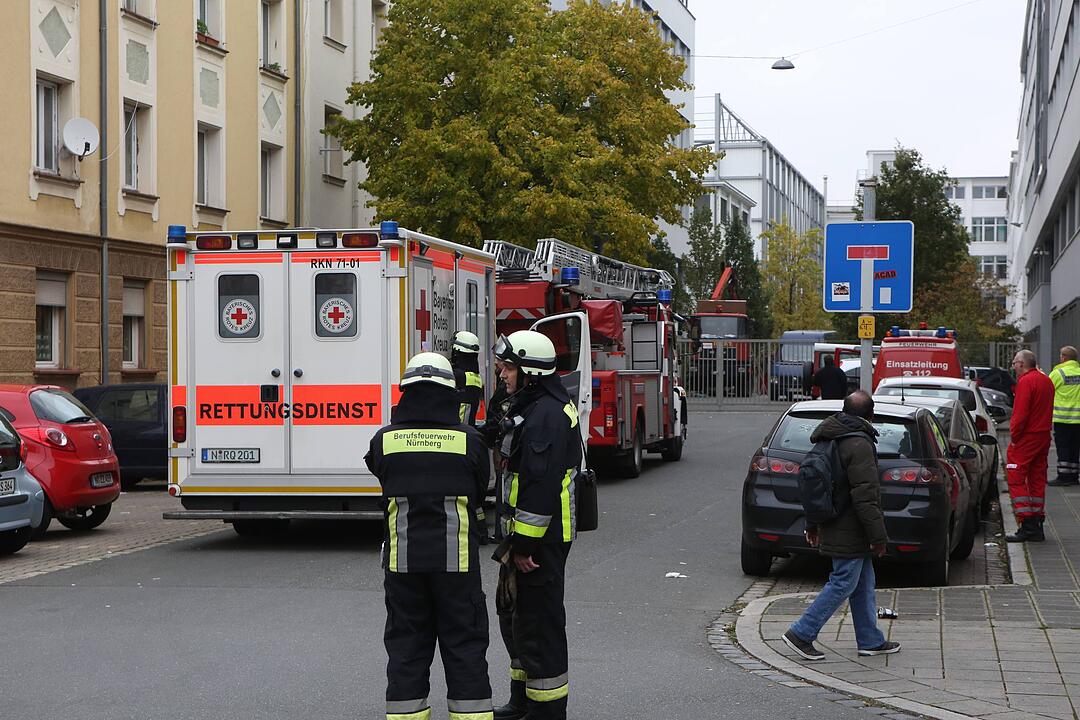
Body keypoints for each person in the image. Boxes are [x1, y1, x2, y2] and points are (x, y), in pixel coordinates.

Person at [364, 352, 494, 720]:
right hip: (457, 565)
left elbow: (382, 475)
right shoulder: (469, 440)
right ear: (450, 392)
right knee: (465, 647)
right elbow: (479, 487)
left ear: (405, 392)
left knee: (406, 648)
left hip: (403, 563)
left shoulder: (384, 441)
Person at [490, 330, 581, 720]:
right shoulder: (537, 405)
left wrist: (524, 546)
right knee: (517, 618)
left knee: (539, 624)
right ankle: (522, 699)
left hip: (540, 540)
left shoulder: (545, 417)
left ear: (529, 371)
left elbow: (540, 487)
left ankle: (547, 710)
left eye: (509, 367)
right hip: (528, 536)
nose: (503, 374)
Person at [781, 390, 900, 661]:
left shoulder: (828, 437)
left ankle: (870, 640)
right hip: (850, 525)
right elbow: (866, 495)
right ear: (871, 415)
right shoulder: (859, 444)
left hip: (835, 520)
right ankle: (802, 633)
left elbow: (816, 487)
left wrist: (813, 524)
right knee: (844, 581)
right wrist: (878, 537)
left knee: (863, 581)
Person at [1005, 349, 1056, 542]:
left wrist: (1015, 437)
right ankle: (1036, 522)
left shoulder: (1026, 382)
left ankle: (1026, 523)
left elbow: (1020, 414)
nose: (1013, 367)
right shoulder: (1046, 381)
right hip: (1043, 435)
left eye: (1014, 364)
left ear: (1021, 363)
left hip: (1027, 437)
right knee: (1037, 477)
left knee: (1016, 476)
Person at [1048, 346, 1080, 487]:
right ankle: (1074, 475)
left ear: (1064, 357)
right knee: (1075, 447)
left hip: (1062, 418)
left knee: (1063, 447)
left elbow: (1046, 390)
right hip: (1078, 418)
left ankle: (1064, 476)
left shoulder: (1058, 373)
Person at [452, 330, 485, 427]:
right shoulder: (476, 376)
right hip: (468, 428)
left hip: (457, 429)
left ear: (456, 351)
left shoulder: (458, 376)